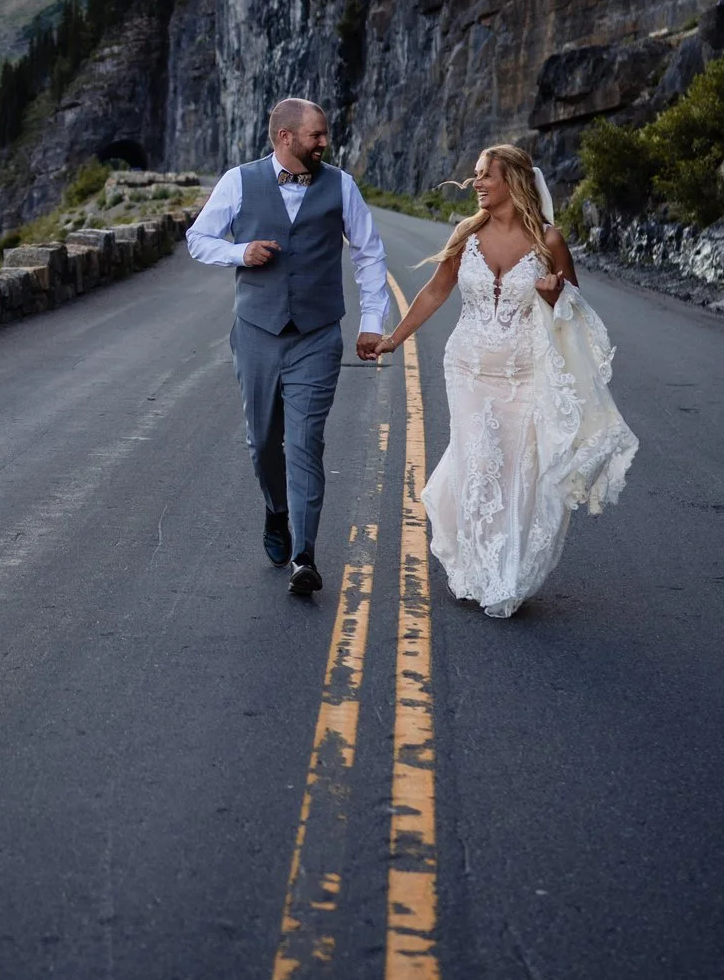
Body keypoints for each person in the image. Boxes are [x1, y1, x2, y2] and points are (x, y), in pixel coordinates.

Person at [370, 143, 637, 618]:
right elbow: (435, 291)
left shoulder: (548, 242)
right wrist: (394, 338)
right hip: (468, 369)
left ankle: (507, 571)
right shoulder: (466, 233)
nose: (475, 184)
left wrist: (554, 295)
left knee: (517, 473)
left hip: (525, 373)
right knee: (478, 462)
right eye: (475, 176)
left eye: (484, 176)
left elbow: (572, 310)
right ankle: (475, 568)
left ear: (511, 180)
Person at [186, 98, 390, 596]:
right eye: (316, 135)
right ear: (285, 137)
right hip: (257, 332)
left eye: (324, 135)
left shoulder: (341, 185)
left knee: (305, 443)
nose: (325, 143)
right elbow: (198, 238)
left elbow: (368, 254)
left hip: (318, 336)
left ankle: (305, 555)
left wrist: (370, 322)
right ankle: (276, 509)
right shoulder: (239, 181)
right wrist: (240, 251)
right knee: (262, 442)